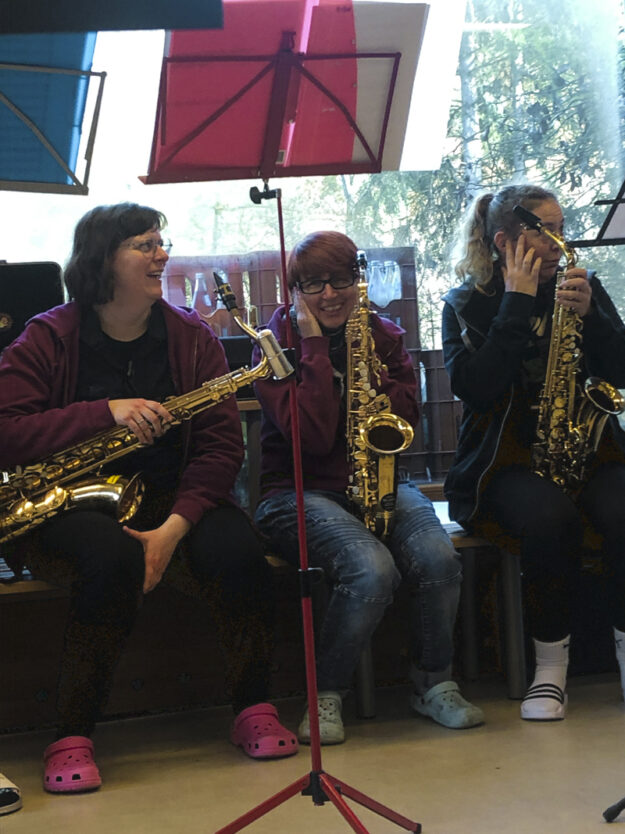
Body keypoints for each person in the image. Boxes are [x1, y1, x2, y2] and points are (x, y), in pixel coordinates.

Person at [0, 203, 298, 793]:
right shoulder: (47, 337)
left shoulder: (191, 337)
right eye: (144, 244)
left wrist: (175, 527)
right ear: (102, 259)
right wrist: (103, 412)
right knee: (109, 560)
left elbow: (220, 449)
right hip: (67, 503)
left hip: (170, 498)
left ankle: (254, 705)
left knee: (239, 551)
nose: (161, 254)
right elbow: (7, 430)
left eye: (162, 242)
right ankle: (72, 733)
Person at [253, 230, 484, 745]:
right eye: (313, 284)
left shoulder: (384, 335)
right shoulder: (274, 344)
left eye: (340, 280)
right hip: (294, 492)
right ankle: (325, 694)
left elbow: (406, 424)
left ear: (357, 280)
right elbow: (311, 438)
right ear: (295, 290)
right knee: (370, 568)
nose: (329, 294)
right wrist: (314, 347)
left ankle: (433, 683)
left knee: (439, 557)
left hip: (377, 480)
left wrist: (373, 387)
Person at [442, 183, 625, 721]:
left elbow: (621, 371)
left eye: (561, 230)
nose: (557, 245)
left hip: (587, 447)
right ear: (504, 242)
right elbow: (478, 389)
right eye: (543, 233)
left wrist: (594, 318)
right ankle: (550, 668)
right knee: (550, 519)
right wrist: (517, 304)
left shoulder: (579, 285)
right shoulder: (466, 304)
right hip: (504, 460)